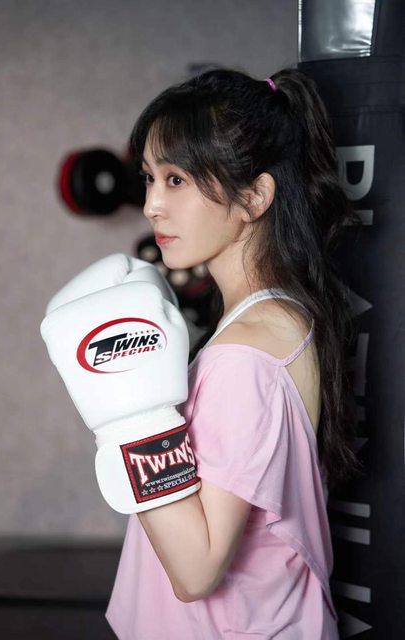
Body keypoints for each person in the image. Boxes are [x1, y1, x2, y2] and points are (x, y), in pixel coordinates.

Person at [42, 67, 359, 639]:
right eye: (149, 178)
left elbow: (198, 570)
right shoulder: (283, 316)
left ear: (255, 196)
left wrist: (130, 416)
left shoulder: (245, 358)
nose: (152, 205)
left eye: (177, 179)